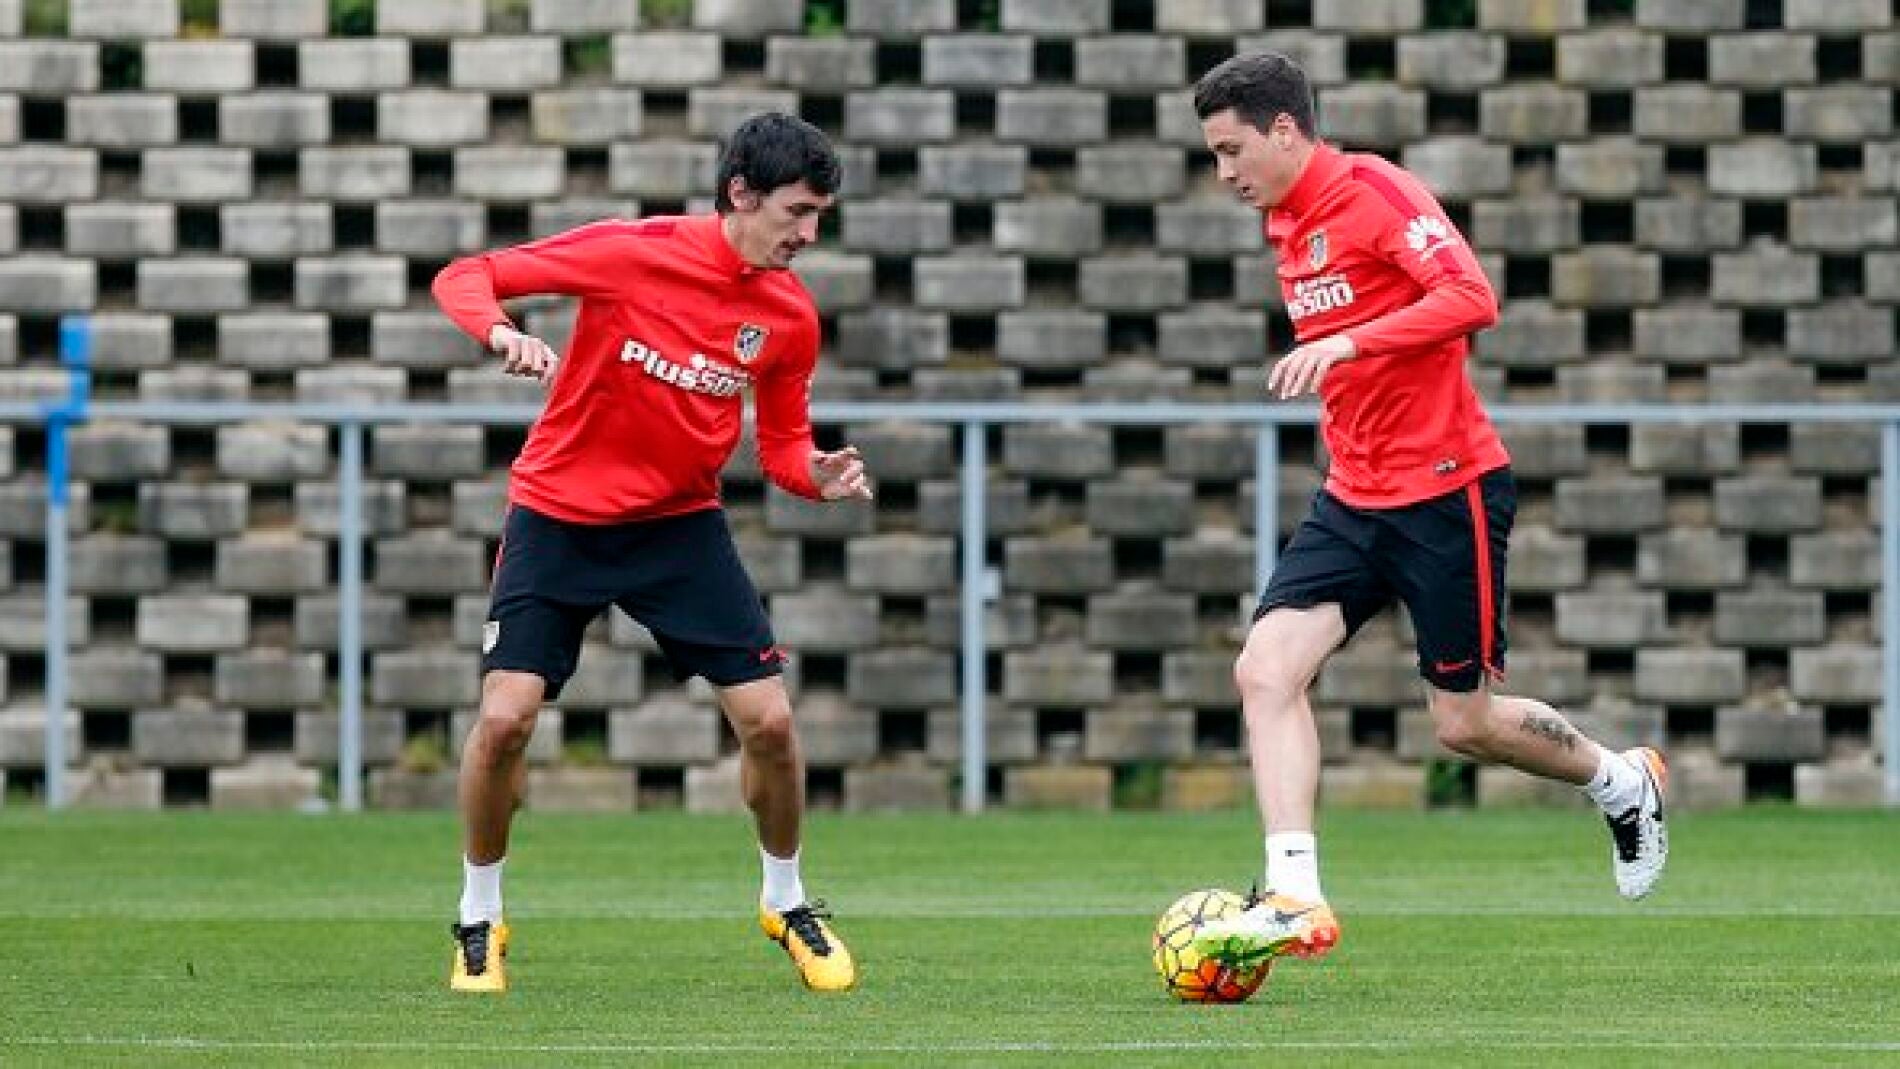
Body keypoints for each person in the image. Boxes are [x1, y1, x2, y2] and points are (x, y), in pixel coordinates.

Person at [1184, 53, 1668, 968]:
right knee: (1265, 670)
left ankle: (1620, 779)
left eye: (1231, 149)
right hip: (1352, 495)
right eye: (1214, 155)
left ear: (1285, 130)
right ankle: (1295, 892)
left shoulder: (1377, 192)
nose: (1225, 174)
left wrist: (1348, 340)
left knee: (1464, 724)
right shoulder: (1285, 220)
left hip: (1448, 491)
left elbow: (1471, 297)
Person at [430, 112, 871, 994]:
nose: (808, 233)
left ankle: (785, 900)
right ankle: (480, 916)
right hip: (558, 515)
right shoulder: (630, 252)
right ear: (740, 193)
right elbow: (467, 274)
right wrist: (500, 333)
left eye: (820, 214)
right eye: (796, 211)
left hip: (679, 528)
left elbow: (780, 446)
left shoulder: (788, 315)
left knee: (773, 725)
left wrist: (813, 474)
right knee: (507, 718)